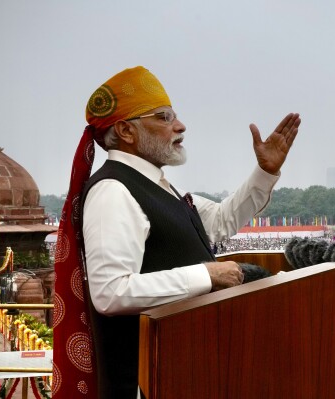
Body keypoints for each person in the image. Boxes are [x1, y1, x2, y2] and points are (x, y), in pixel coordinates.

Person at [53, 66, 300, 399]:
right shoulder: (113, 190)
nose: (180, 126)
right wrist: (208, 275)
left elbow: (221, 220)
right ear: (126, 131)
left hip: (183, 370)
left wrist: (265, 172)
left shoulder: (159, 187)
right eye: (164, 117)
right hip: (146, 380)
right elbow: (111, 293)